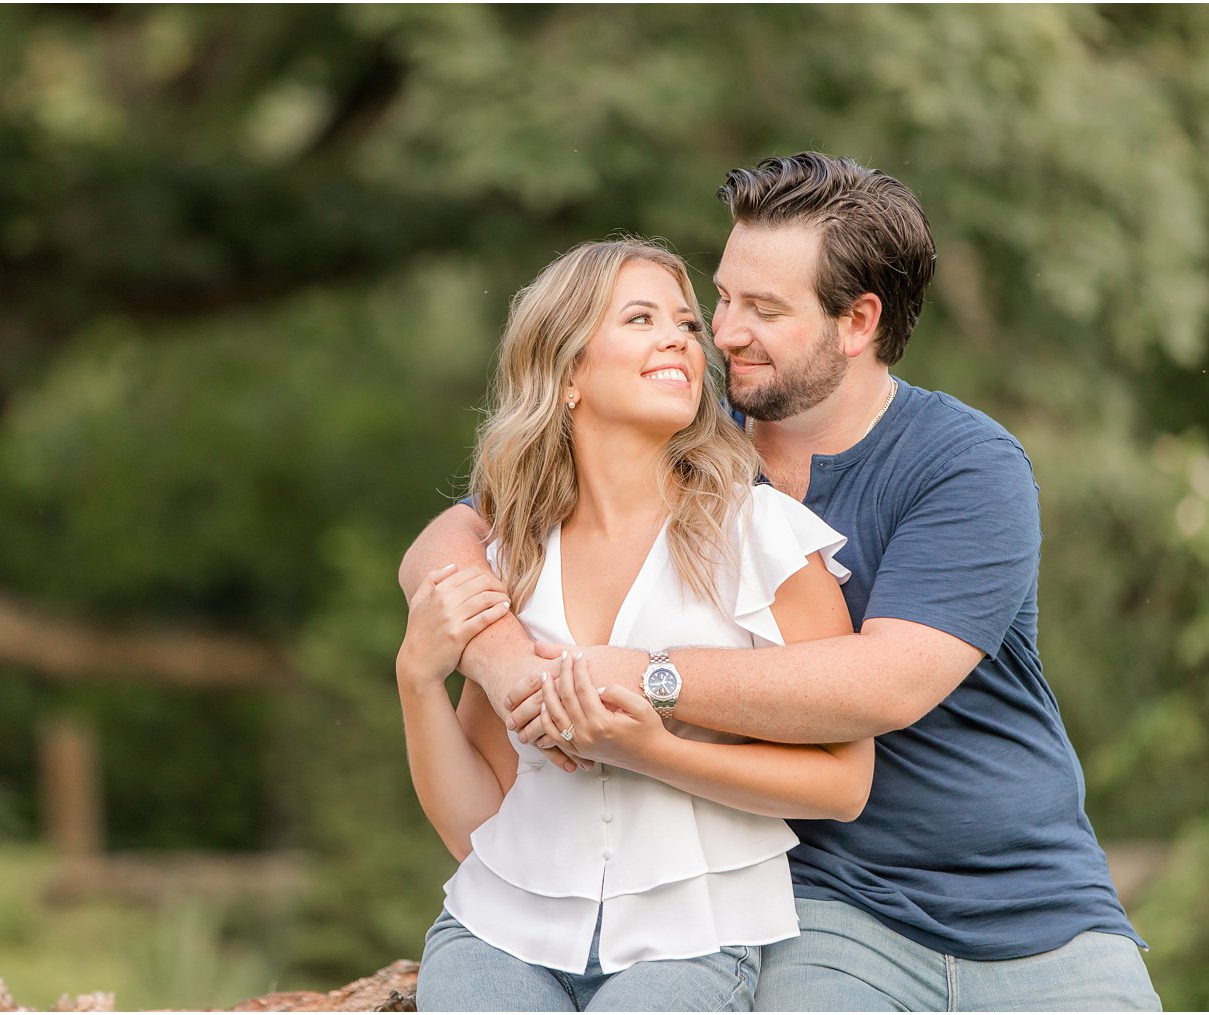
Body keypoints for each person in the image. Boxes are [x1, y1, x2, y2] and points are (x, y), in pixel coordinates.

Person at [398, 154, 1162, 1011]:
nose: (720, 334)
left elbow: (885, 683)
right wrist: (505, 669)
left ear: (856, 321)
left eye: (762, 309)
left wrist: (648, 676)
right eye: (721, 298)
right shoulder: (676, 447)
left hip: (1034, 907)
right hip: (824, 907)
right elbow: (456, 541)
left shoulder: (964, 465)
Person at [396, 237, 875, 1011]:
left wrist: (653, 751)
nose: (681, 339)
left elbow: (845, 782)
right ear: (568, 372)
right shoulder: (515, 554)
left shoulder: (761, 537)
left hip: (691, 943)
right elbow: (475, 823)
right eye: (642, 318)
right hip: (495, 932)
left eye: (686, 324)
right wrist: (416, 678)